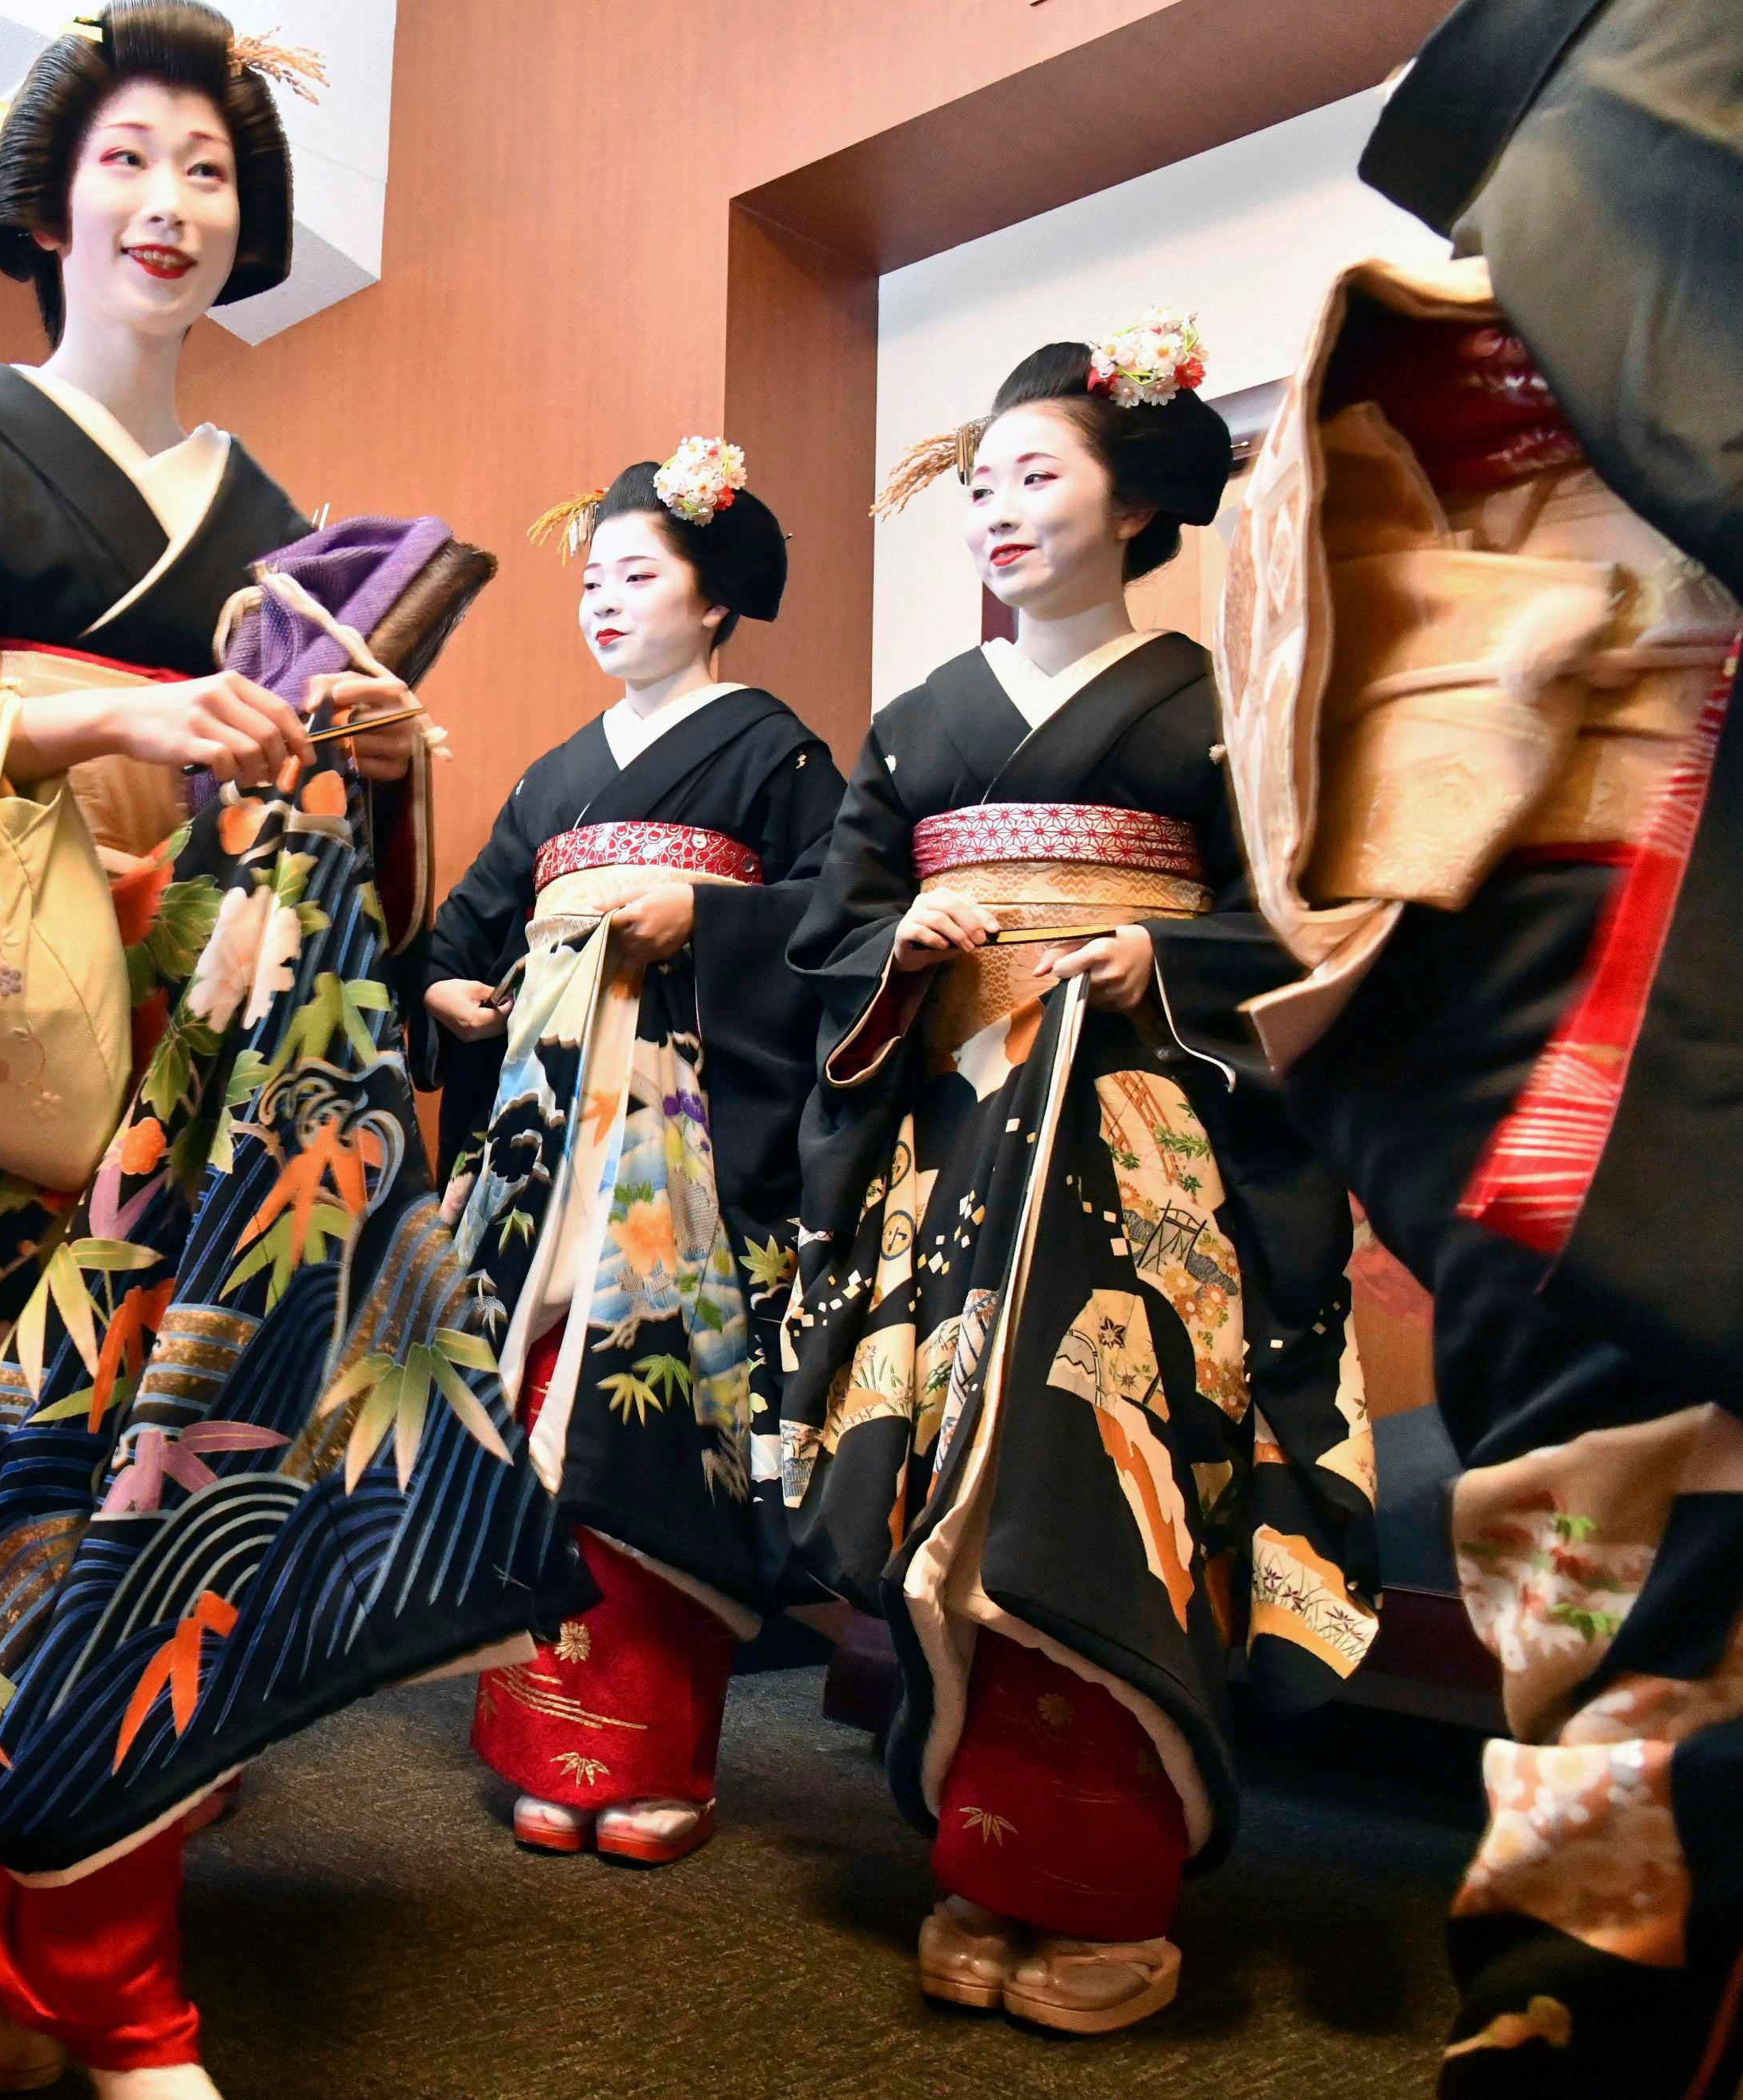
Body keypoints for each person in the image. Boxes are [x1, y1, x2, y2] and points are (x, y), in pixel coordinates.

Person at [0, 12, 581, 2093]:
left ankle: (17, 1911)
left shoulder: (265, 501)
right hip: (22, 988)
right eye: (133, 160)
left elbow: (320, 802)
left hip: (217, 1025)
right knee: (40, 1456)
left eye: (210, 174)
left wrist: (375, 759)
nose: (170, 205)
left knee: (183, 1448)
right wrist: (106, 718)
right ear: (55, 201)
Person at [1223, 9, 1743, 2086]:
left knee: (1617, 1489)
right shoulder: (1644, 100)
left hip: (1598, 854)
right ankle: (1592, 1971)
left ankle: (1587, 1965)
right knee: (1629, 1488)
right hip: (1604, 860)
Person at [773, 314, 1379, 2036]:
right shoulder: (912, 723)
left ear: (1132, 505)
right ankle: (978, 1857)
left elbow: (1298, 917)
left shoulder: (1210, 709)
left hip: (1138, 1148)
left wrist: (1161, 959)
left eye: (1037, 474)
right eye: (978, 483)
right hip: (955, 1135)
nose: (997, 507)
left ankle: (1108, 1877)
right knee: (948, 1478)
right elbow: (826, 931)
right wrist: (909, 941)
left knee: (1099, 1476)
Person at [431, 441, 842, 1865]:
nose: (603, 602)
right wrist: (448, 987)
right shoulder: (555, 771)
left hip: (677, 1119)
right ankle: (542, 1740)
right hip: (551, 1122)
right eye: (590, 580)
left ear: (714, 595)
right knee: (533, 1397)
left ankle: (656, 1753)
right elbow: (466, 922)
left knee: (646, 1399)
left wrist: (708, 920)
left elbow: (835, 914)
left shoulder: (773, 747)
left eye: (638, 575)